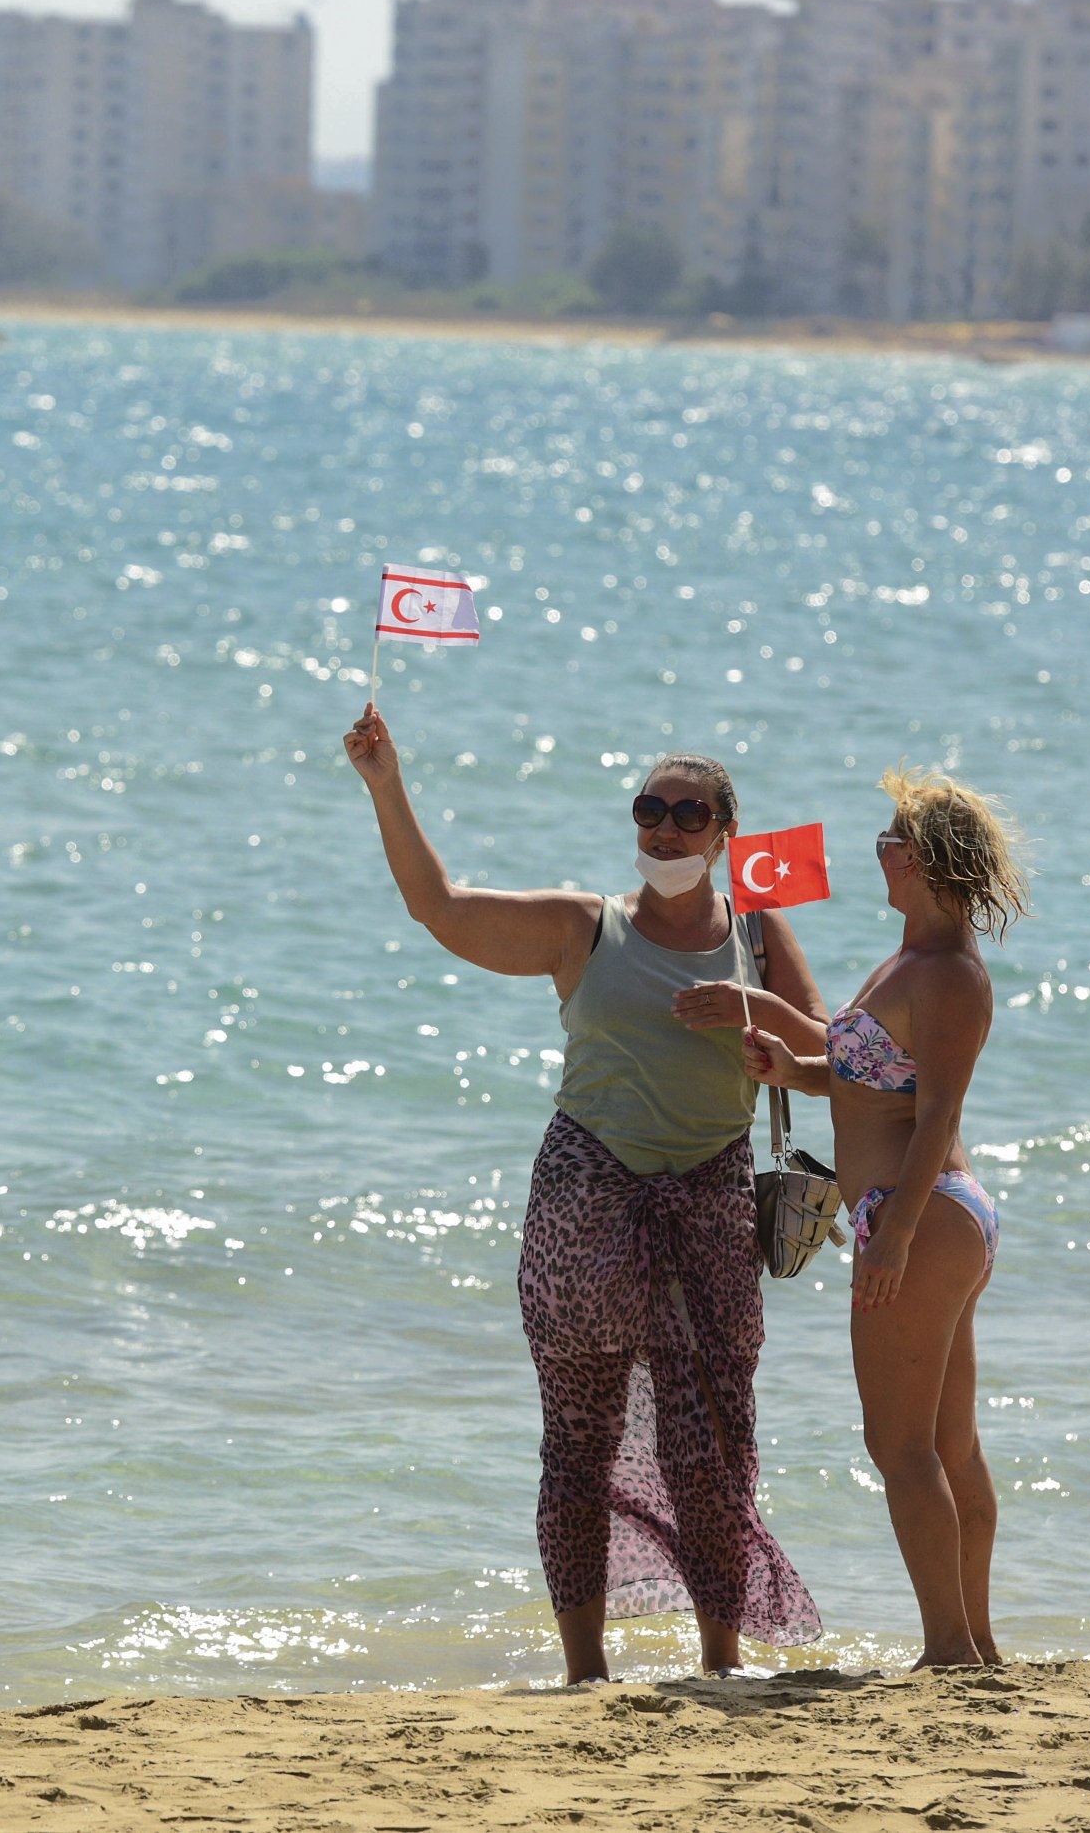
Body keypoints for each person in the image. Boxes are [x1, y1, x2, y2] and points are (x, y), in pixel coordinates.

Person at [344, 705, 825, 1677]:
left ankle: (721, 1661)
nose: (665, 827)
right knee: (578, 1444)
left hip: (712, 1202)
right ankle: (584, 1669)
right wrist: (385, 781)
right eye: (650, 807)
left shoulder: (761, 936)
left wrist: (756, 1014)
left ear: (725, 832)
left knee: (715, 1444)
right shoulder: (584, 926)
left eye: (689, 814)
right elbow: (439, 906)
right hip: (587, 1200)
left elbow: (833, 1057)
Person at [742, 766, 1030, 1668]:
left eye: (890, 842)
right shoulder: (908, 959)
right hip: (934, 1212)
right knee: (948, 1442)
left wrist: (892, 1235)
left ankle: (947, 1646)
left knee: (900, 1446)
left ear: (926, 863)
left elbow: (939, 1109)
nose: (879, 853)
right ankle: (975, 1644)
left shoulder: (947, 975)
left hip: (920, 1212)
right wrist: (795, 1071)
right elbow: (874, 1079)